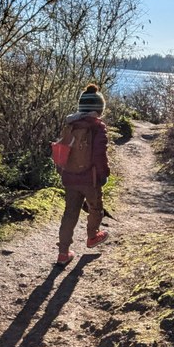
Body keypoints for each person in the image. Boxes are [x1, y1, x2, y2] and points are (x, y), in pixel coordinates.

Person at [55, 83, 111, 266]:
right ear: (98, 109)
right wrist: (104, 175)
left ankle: (63, 253)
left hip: (70, 177)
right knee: (95, 208)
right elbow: (99, 155)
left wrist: (62, 171)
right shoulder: (97, 127)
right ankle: (92, 236)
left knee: (69, 213)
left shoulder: (70, 124)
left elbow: (62, 150)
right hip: (90, 178)